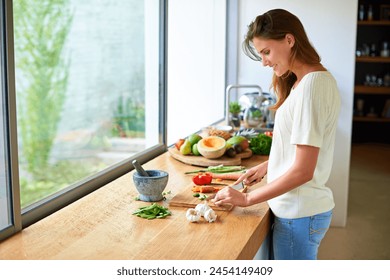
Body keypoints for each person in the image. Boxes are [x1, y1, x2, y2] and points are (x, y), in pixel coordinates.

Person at [212, 9, 341, 260]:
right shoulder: (305, 82)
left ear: (289, 40)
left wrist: (247, 199)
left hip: (300, 213)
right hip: (298, 212)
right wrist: (268, 167)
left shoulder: (312, 86)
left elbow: (304, 170)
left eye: (266, 52)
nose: (264, 62)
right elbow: (305, 149)